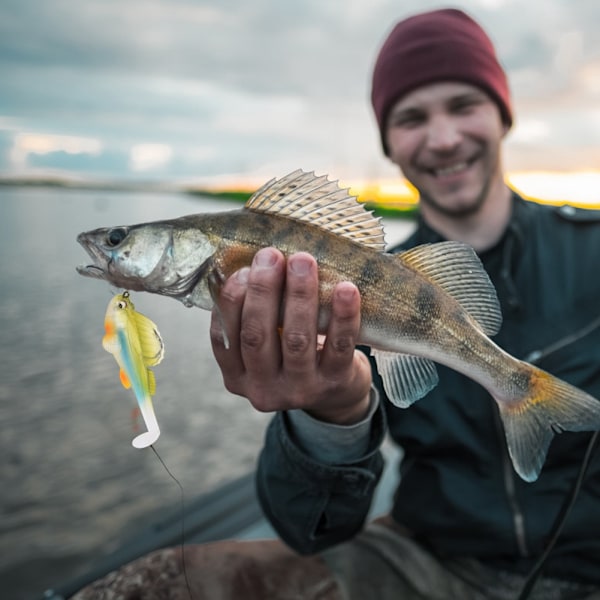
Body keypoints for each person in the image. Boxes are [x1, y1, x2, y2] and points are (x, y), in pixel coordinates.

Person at [73, 8, 600, 600]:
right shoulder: (369, 280)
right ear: (390, 143)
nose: (443, 137)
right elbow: (313, 529)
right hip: (427, 559)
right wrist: (331, 414)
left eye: (463, 105)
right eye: (411, 117)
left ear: (503, 115)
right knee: (153, 587)